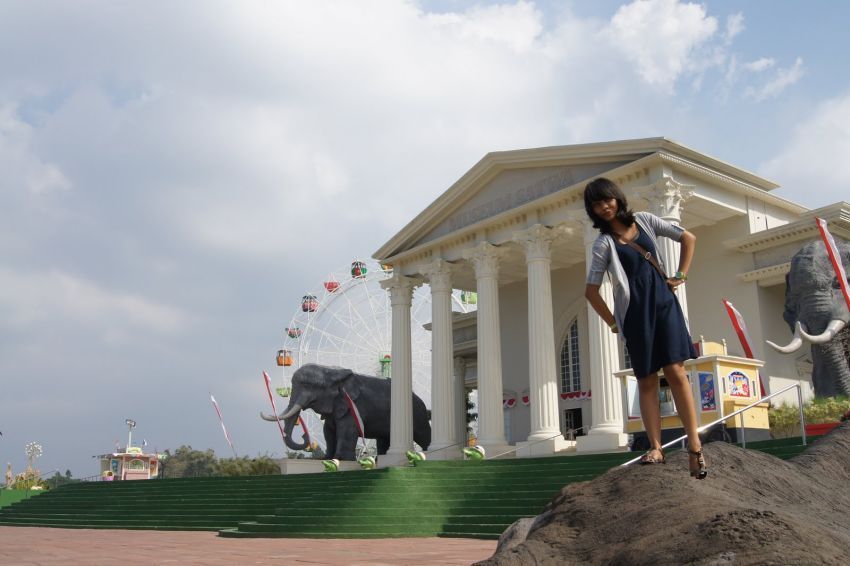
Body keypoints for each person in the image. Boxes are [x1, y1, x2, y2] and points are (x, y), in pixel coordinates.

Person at [583, 177, 707, 479]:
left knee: (677, 373)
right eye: (597, 205)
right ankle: (655, 447)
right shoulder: (603, 244)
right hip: (636, 314)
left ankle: (694, 445)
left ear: (617, 198)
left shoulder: (645, 221)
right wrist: (613, 322)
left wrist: (680, 275)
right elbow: (591, 291)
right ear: (593, 211)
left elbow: (688, 238)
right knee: (647, 381)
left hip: (664, 304)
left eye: (607, 200)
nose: (604, 207)